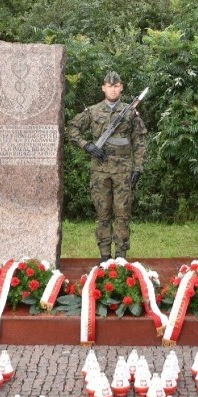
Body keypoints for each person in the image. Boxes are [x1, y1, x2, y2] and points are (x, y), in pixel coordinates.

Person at [66, 71, 147, 261]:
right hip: (100, 171)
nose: (113, 89)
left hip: (123, 171)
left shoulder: (130, 113)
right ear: (103, 88)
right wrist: (88, 146)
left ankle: (120, 257)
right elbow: (72, 129)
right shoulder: (93, 111)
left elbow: (140, 141)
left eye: (116, 85)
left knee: (122, 215)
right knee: (103, 215)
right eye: (109, 86)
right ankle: (104, 256)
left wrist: (138, 167)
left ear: (121, 88)